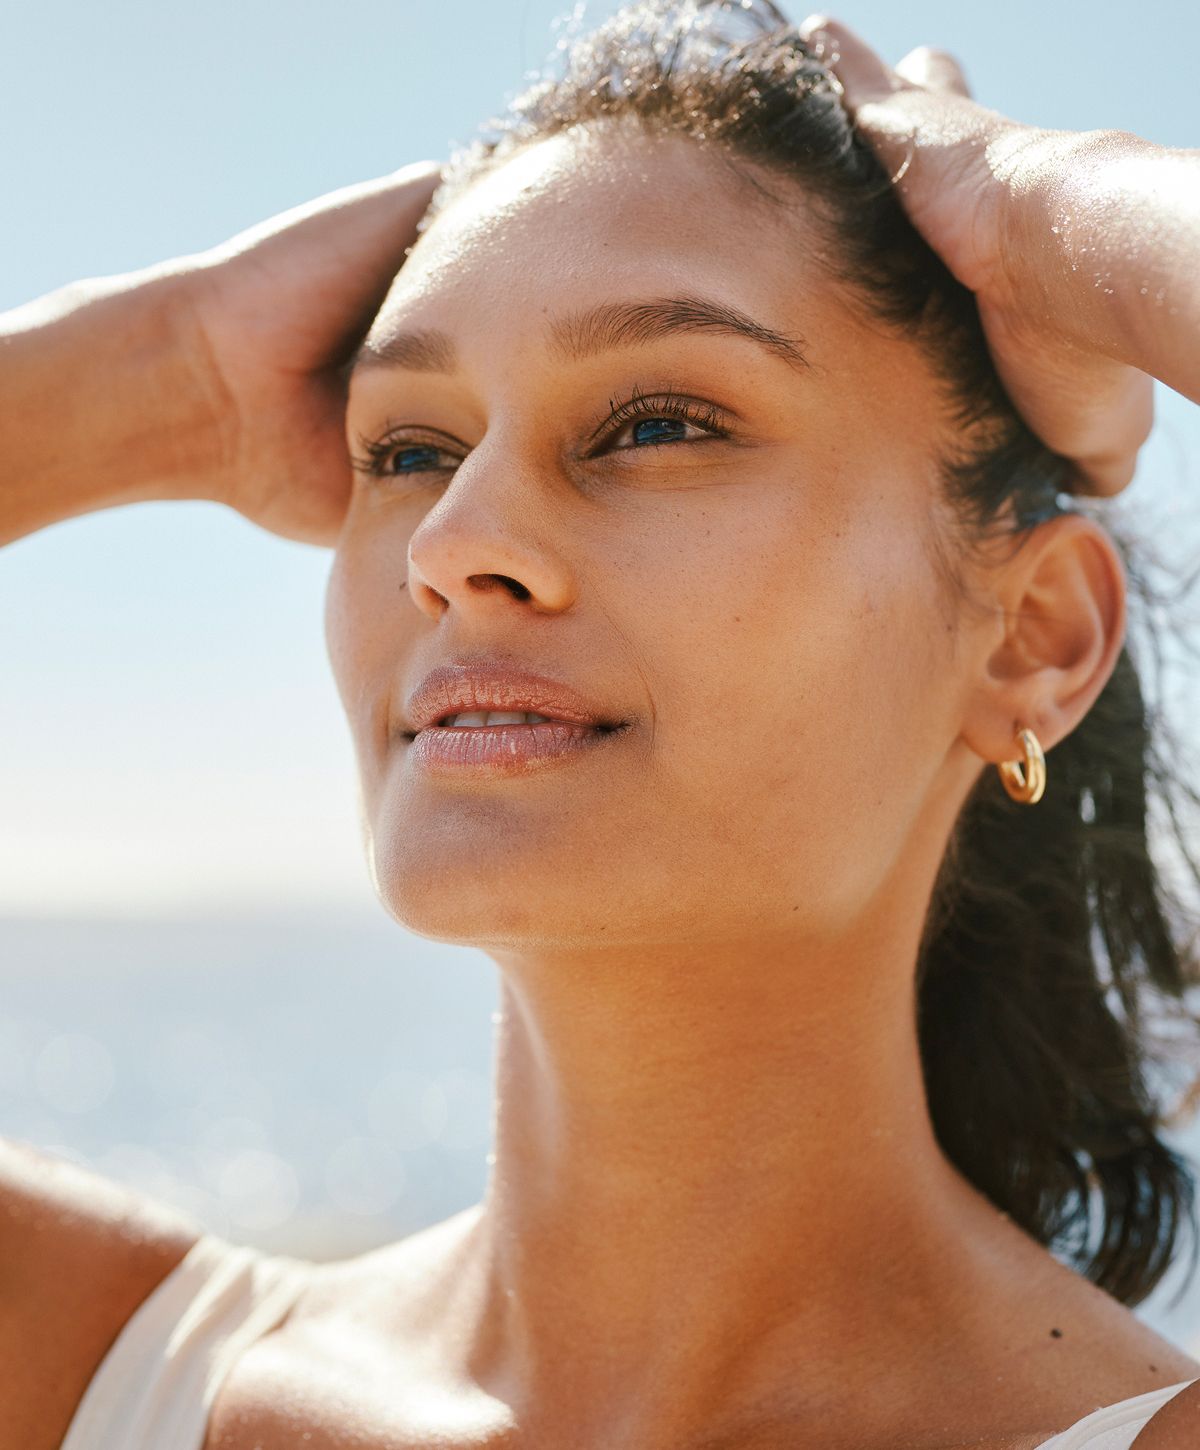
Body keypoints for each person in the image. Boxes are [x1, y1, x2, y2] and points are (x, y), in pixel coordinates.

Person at [3, 2, 1200, 1446]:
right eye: (408, 448)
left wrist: (1062, 217)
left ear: (1031, 635)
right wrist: (166, 379)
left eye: (656, 422)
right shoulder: (105, 1373)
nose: (454, 540)